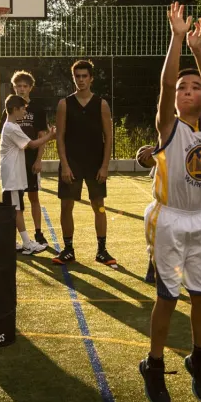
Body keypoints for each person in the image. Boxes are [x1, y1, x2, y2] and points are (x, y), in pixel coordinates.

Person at [137, 2, 201, 402]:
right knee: (168, 297)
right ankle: (153, 364)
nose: (188, 91)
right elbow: (166, 81)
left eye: (195, 87)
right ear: (173, 101)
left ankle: (199, 358)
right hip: (169, 219)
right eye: (182, 89)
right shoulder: (168, 127)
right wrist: (176, 39)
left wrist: (199, 51)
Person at [52, 60, 117, 268]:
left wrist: (105, 166)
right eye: (77, 76)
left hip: (95, 163)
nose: (81, 80)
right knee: (66, 206)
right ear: (74, 79)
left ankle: (102, 250)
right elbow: (60, 137)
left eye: (84, 76)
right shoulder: (64, 104)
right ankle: (68, 250)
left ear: (91, 79)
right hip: (71, 163)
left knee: (98, 206)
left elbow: (109, 137)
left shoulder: (101, 104)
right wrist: (65, 164)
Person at [0, 71, 50, 248]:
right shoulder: (10, 117)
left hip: (27, 161)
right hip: (15, 165)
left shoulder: (35, 109)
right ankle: (24, 241)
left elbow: (39, 135)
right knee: (16, 204)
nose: (21, 89)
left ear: (30, 88)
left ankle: (36, 234)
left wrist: (38, 160)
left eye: (24, 86)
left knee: (29, 199)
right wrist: (53, 136)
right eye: (18, 86)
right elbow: (33, 142)